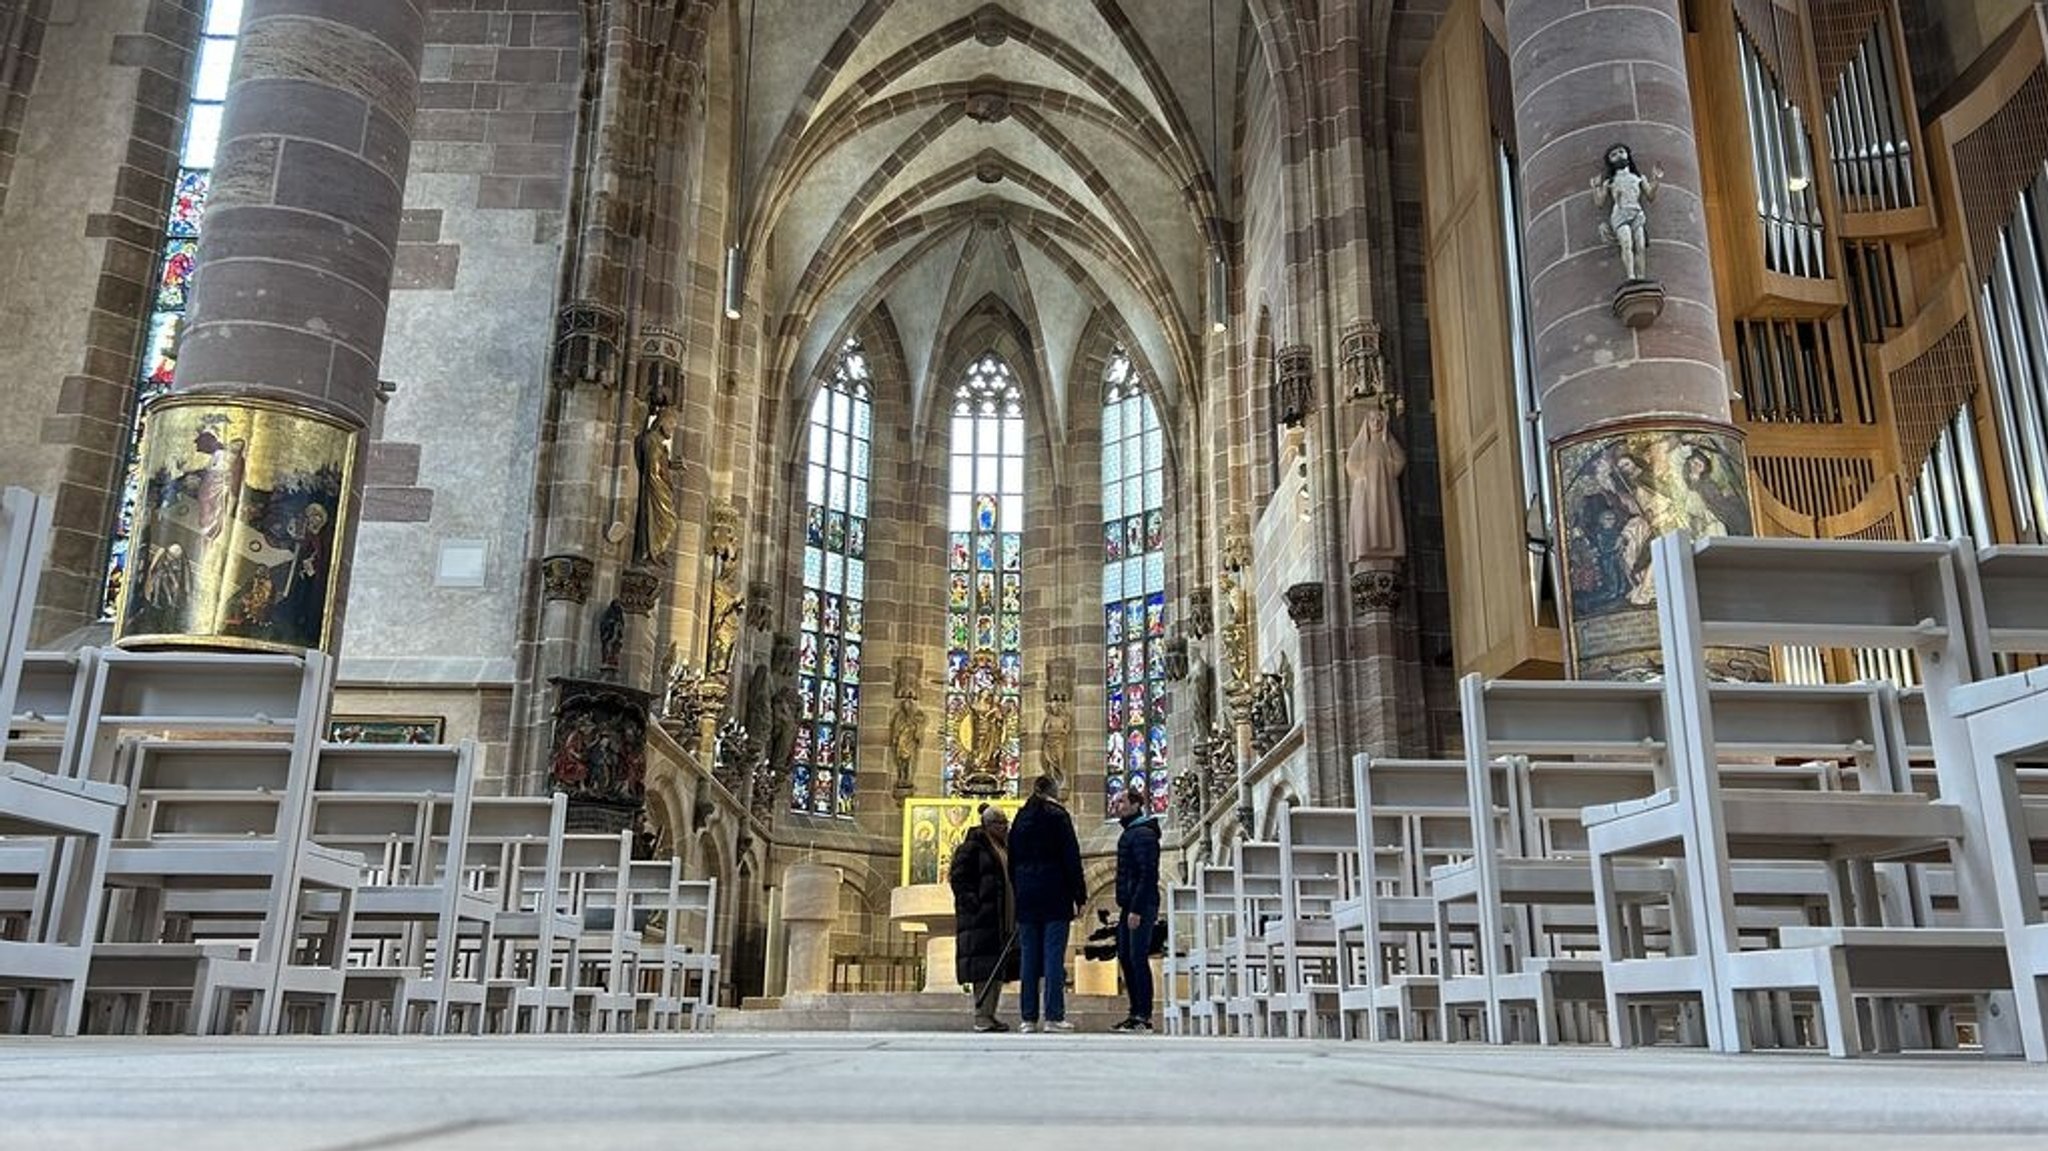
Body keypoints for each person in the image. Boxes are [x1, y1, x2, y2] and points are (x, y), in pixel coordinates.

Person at [1006, 774, 1086, 1033]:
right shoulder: (1058, 816)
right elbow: (1071, 858)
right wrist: (1079, 895)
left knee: (1029, 958)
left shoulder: (1020, 818)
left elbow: (1012, 861)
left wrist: (1019, 890)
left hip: (1027, 896)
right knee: (1052, 957)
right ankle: (1053, 1016)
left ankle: (1027, 1019)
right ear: (1053, 791)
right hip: (1055, 894)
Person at [948, 804, 1017, 1032]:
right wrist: (974, 905)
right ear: (988, 825)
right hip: (981, 919)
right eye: (1001, 823)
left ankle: (989, 1014)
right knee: (983, 968)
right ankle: (981, 1016)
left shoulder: (1003, 847)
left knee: (996, 967)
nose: (1005, 827)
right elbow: (959, 879)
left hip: (1000, 917)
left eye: (1006, 823)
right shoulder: (972, 848)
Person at [1110, 783, 1162, 1033]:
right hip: (1130, 905)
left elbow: (1147, 873)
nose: (1116, 806)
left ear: (1135, 804)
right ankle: (1135, 1012)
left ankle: (1143, 1016)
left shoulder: (1142, 834)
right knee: (1126, 956)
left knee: (1137, 958)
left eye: (1120, 802)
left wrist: (1137, 909)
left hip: (1140, 905)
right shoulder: (1132, 832)